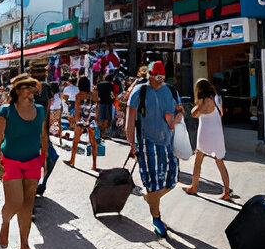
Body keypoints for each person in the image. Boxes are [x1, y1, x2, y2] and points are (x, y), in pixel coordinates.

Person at [0, 74, 49, 249]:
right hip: (10, 160)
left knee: (27, 204)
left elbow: (43, 135)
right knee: (15, 202)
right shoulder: (6, 111)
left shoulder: (40, 110)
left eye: (32, 87)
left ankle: (24, 244)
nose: (30, 91)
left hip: (33, 160)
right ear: (17, 90)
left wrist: (45, 158)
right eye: (26, 87)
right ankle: (5, 222)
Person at [126, 60, 184, 237]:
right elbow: (129, 121)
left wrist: (175, 119)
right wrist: (132, 145)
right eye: (157, 76)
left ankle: (151, 198)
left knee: (172, 181)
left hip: (168, 142)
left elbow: (180, 111)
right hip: (147, 143)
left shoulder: (171, 90)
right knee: (153, 185)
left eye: (162, 76)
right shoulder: (139, 91)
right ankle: (156, 217)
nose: (160, 80)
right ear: (149, 75)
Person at [184, 78, 231, 199]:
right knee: (219, 161)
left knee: (198, 161)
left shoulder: (204, 102)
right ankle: (226, 192)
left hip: (205, 134)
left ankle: (193, 187)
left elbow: (193, 114)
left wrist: (197, 103)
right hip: (217, 133)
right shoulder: (215, 98)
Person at [65, 77, 101, 171]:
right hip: (92, 120)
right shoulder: (94, 95)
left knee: (75, 141)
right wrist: (96, 119)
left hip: (81, 120)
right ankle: (94, 165)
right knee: (93, 143)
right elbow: (97, 108)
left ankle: (72, 160)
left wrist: (76, 121)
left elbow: (77, 110)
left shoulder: (78, 95)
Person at [96, 74, 115, 139]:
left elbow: (97, 93)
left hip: (101, 102)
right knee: (107, 118)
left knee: (101, 118)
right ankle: (105, 133)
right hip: (108, 102)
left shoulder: (99, 84)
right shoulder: (111, 85)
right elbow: (112, 94)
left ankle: (101, 133)